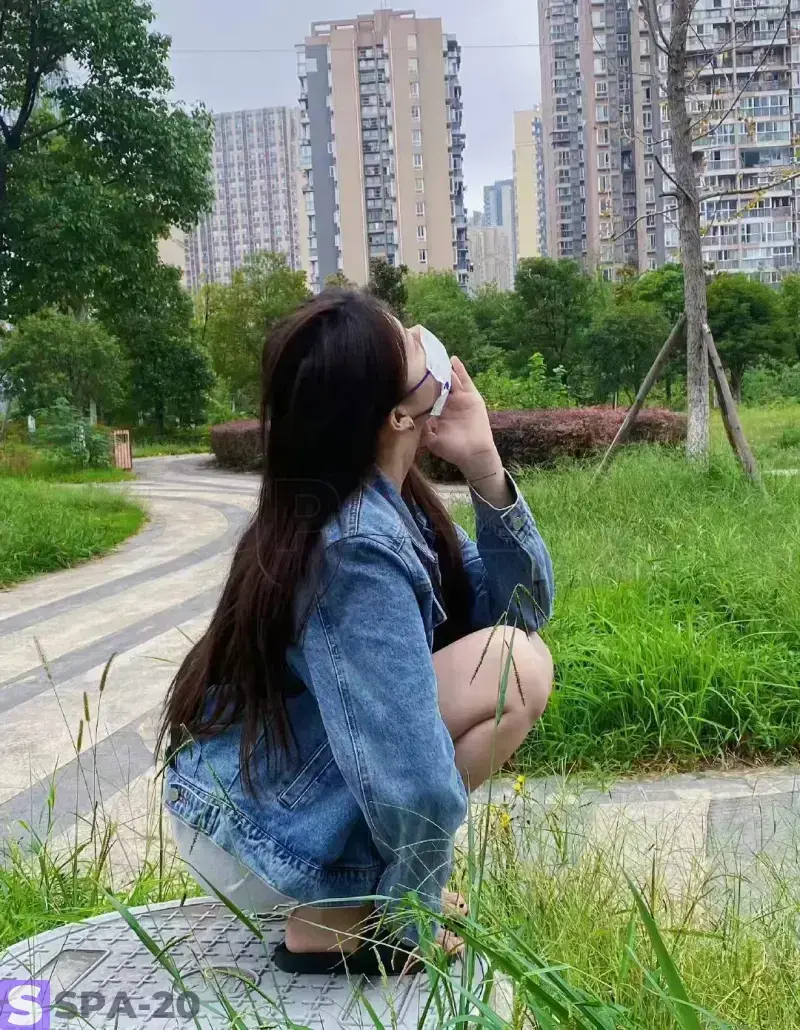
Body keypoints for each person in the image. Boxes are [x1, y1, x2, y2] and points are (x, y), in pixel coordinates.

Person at [160, 289, 554, 975]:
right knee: (515, 668)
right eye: (406, 341)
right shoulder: (356, 548)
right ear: (398, 413)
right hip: (261, 831)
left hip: (263, 805)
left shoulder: (386, 502)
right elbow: (414, 777)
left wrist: (485, 469)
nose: (423, 335)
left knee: (516, 656)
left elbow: (518, 607)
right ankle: (338, 919)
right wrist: (412, 914)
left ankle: (351, 902)